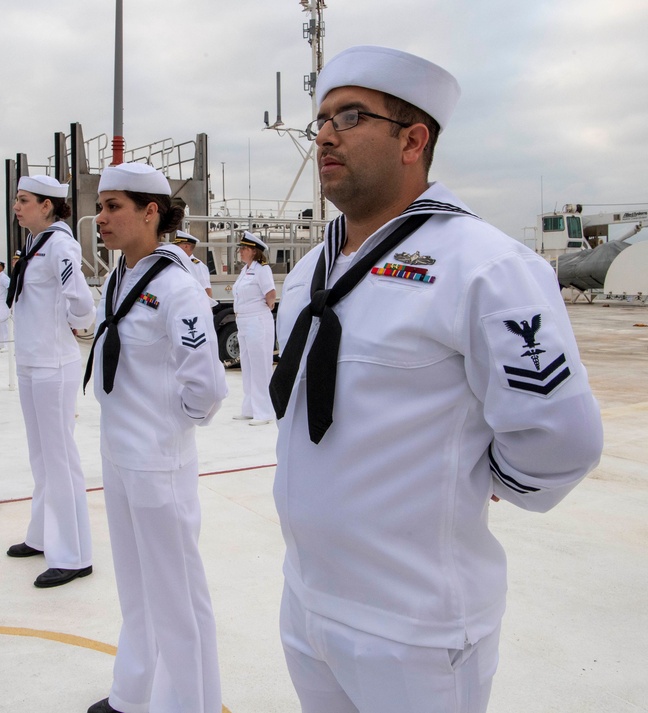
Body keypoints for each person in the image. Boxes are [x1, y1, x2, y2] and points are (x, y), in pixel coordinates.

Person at [267, 45, 603, 713]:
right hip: (308, 603)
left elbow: (562, 437)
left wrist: (479, 475)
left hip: (416, 630)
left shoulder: (484, 264)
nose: (326, 134)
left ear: (412, 140)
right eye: (322, 119)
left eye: (351, 116)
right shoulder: (309, 273)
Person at [85, 162, 227, 713]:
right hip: (118, 452)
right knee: (136, 588)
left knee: (177, 597)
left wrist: (166, 428)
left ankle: (189, 703)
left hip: (156, 459)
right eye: (100, 207)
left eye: (113, 206)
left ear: (151, 212)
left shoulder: (176, 284)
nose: (101, 218)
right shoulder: (121, 275)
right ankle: (133, 693)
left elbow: (207, 385)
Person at [6, 174, 97, 589]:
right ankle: (43, 535)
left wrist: (77, 327)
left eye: (24, 200)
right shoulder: (35, 244)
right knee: (40, 457)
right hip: (30, 361)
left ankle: (74, 554)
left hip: (51, 365)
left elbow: (80, 301)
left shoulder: (60, 245)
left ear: (47, 205)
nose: (17, 206)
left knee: (59, 459)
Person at [232, 231, 276, 425]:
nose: (240, 252)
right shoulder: (245, 270)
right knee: (248, 366)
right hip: (243, 322)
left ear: (252, 251)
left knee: (260, 367)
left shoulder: (261, 269)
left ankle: (264, 412)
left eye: (243, 248)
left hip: (257, 320)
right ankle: (250, 408)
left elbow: (271, 294)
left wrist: (262, 308)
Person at [172, 230, 213, 300]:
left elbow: (207, 291)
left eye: (177, 245)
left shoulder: (198, 266)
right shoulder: (176, 262)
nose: (175, 248)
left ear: (186, 246)